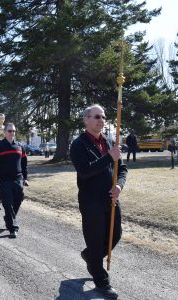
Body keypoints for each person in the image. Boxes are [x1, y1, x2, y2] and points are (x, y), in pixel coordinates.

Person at [69, 104, 127, 299]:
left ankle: (91, 258)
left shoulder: (110, 141)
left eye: (103, 117)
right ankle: (102, 281)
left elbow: (122, 169)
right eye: (96, 117)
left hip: (111, 199)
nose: (101, 120)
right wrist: (109, 158)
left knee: (115, 235)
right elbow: (85, 171)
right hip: (91, 201)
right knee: (95, 242)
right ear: (86, 120)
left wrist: (119, 185)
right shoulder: (78, 144)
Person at [0, 123, 28, 238]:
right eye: (10, 131)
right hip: (4, 180)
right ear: (5, 132)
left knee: (18, 201)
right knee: (8, 204)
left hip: (18, 179)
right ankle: (12, 228)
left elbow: (24, 163)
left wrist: (25, 178)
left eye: (14, 131)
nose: (12, 133)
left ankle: (8, 218)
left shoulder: (20, 146)